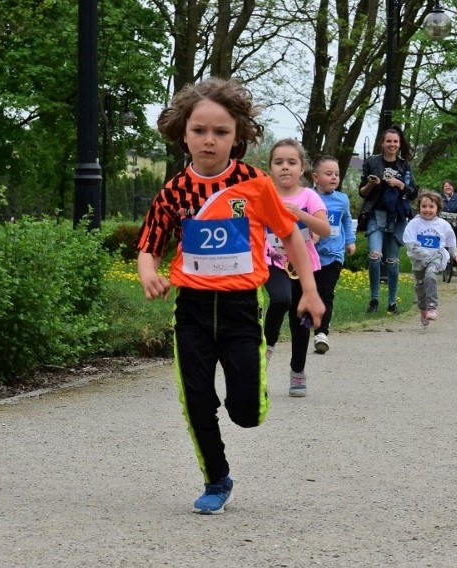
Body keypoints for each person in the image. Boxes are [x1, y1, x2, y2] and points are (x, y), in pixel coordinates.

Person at [135, 78, 324, 515]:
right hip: (192, 310)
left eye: (220, 132)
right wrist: (149, 274)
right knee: (195, 397)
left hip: (241, 309)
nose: (209, 140)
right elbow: (150, 245)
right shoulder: (174, 192)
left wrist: (309, 291)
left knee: (246, 414)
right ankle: (216, 478)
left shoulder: (255, 185)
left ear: (237, 136)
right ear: (183, 133)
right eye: (199, 130)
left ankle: (248, 398)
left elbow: (292, 237)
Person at [262, 139, 330, 398]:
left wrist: (300, 214)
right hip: (273, 261)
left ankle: (298, 371)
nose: (285, 167)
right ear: (271, 167)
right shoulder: (265, 194)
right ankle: (265, 351)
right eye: (279, 162)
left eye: (292, 162)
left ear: (302, 168)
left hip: (303, 265)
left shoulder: (308, 196)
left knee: (300, 320)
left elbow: (324, 229)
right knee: (281, 299)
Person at [358, 126, 419, 314]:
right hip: (376, 215)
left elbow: (414, 193)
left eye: (395, 142)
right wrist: (371, 184)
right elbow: (362, 192)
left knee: (392, 261)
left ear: (399, 145)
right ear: (382, 143)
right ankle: (374, 299)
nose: (392, 145)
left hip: (398, 217)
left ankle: (392, 303)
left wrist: (400, 184)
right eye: (389, 141)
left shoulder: (404, 166)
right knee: (375, 257)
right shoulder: (372, 162)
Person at [311, 155, 356, 353]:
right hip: (311, 255)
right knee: (310, 293)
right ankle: (307, 325)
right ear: (315, 177)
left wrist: (350, 241)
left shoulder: (342, 199)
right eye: (328, 174)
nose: (334, 178)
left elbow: (346, 220)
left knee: (325, 293)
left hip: (333, 254)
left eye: (336, 174)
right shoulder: (308, 197)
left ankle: (322, 332)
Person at [402, 192, 457, 327]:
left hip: (436, 257)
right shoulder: (414, 223)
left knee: (430, 276)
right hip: (418, 260)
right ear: (419, 208)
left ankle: (432, 307)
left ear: (438, 209)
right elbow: (409, 240)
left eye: (431, 207)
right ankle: (423, 308)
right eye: (424, 206)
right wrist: (419, 251)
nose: (427, 210)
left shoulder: (443, 224)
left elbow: (451, 240)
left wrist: (455, 253)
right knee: (421, 287)